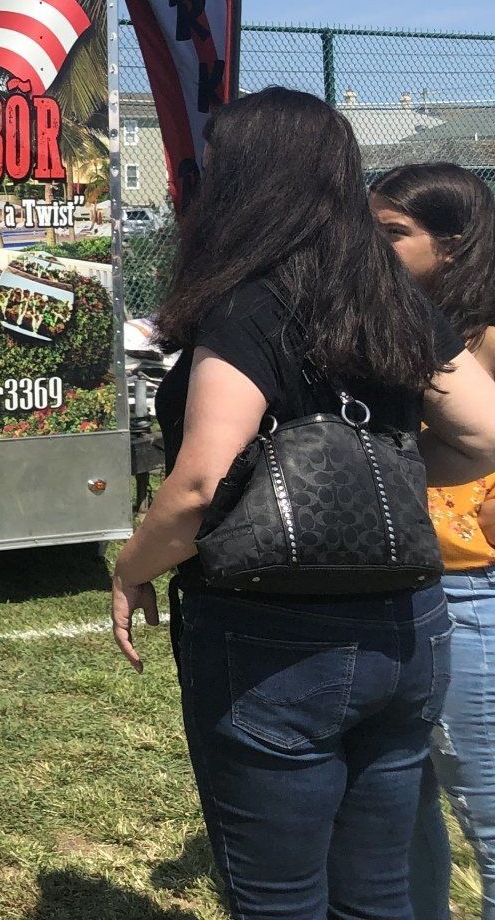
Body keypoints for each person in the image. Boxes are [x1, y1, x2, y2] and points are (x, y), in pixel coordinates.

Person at [110, 89, 495, 918]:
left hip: (270, 637)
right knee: (378, 890)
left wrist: (129, 567)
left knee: (279, 895)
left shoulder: (249, 306)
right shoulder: (400, 302)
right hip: (408, 626)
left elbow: (199, 484)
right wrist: (381, 470)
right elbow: (485, 433)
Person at [371, 164, 495, 920]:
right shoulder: (395, 325)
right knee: (400, 808)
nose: (371, 248)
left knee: (484, 809)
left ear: (452, 245)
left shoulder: (483, 337)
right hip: (400, 586)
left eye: (392, 234)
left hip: (465, 592)